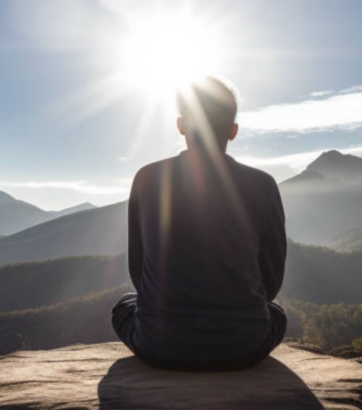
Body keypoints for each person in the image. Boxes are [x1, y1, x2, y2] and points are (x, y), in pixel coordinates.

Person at [111, 76, 288, 371]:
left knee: (124, 306)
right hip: (244, 347)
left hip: (158, 346)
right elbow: (271, 282)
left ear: (181, 125)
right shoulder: (263, 185)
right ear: (233, 131)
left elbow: (138, 271)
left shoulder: (147, 178)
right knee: (277, 313)